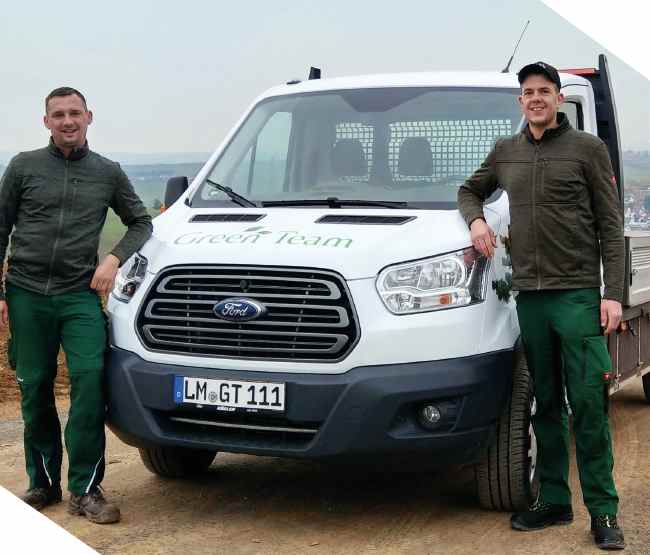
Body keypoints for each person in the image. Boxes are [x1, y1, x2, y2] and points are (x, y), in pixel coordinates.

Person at [458, 62, 625, 551]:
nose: (536, 98)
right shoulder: (505, 151)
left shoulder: (587, 149)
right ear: (521, 101)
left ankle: (604, 511)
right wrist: (476, 222)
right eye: (528, 92)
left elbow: (610, 224)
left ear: (557, 98)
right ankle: (553, 500)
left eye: (544, 91)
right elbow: (469, 190)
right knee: (545, 405)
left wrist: (612, 294)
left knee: (588, 405)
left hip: (576, 295)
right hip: (529, 297)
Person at [0, 87, 153, 524]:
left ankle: (85, 490)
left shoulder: (107, 172)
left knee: (89, 381)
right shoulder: (23, 166)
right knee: (35, 386)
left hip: (79, 294)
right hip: (26, 292)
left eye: (74, 113)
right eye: (58, 114)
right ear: (46, 121)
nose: (67, 121)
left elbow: (141, 222)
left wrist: (113, 259)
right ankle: (43, 484)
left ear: (89, 117)